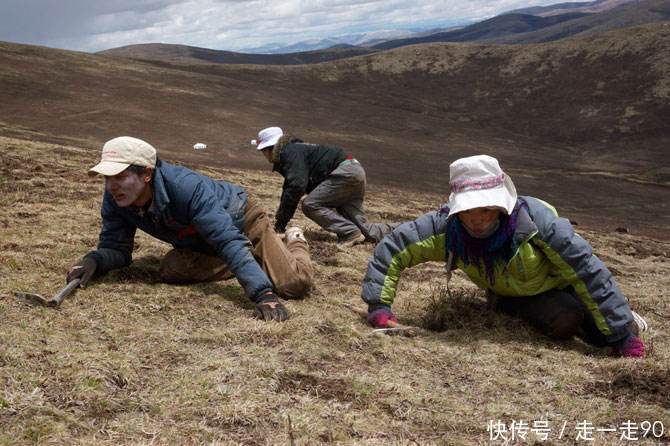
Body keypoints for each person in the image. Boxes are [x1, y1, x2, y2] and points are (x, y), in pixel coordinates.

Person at [361, 154, 648, 357]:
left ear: (500, 207)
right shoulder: (445, 228)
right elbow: (394, 249)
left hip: (558, 283)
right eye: (467, 212)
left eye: (485, 210)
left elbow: (586, 269)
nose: (476, 220)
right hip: (509, 296)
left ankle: (625, 321)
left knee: (603, 337)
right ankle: (514, 306)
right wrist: (379, 306)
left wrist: (622, 335)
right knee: (566, 320)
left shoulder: (537, 224)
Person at [67, 136, 314, 321]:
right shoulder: (117, 197)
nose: (111, 186)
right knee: (172, 269)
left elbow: (226, 239)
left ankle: (293, 240)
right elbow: (117, 249)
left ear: (146, 174)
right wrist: (95, 260)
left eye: (119, 176)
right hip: (201, 241)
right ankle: (249, 259)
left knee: (293, 285)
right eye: (106, 177)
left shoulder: (187, 188)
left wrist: (263, 295)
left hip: (241, 220)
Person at [252, 127, 394, 246]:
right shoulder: (298, 150)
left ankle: (350, 233)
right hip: (354, 170)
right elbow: (290, 186)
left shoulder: (289, 152)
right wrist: (280, 224)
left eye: (262, 151)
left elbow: (296, 186)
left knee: (310, 204)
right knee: (364, 230)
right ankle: (406, 230)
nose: (263, 155)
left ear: (268, 149)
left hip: (343, 173)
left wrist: (280, 225)